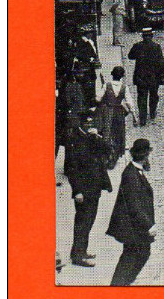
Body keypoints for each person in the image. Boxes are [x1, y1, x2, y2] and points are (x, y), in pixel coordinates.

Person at [65, 111, 113, 267]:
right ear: (81, 124)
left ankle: (81, 251)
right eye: (87, 124)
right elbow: (71, 168)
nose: (89, 126)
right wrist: (77, 190)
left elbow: (107, 150)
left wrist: (98, 136)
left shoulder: (92, 138)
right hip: (84, 190)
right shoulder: (75, 140)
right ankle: (78, 255)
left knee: (89, 221)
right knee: (82, 222)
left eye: (91, 124)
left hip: (94, 187)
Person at [106, 138, 156, 286]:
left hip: (135, 226)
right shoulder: (131, 175)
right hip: (132, 227)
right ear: (145, 156)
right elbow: (134, 205)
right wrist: (149, 225)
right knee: (132, 256)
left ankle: (123, 283)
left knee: (141, 254)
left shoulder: (135, 172)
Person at [96, 65, 136, 168]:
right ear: (122, 76)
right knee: (118, 134)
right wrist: (134, 116)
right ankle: (114, 156)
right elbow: (129, 102)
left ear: (112, 75)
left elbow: (98, 99)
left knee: (107, 133)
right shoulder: (124, 88)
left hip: (108, 112)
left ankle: (107, 156)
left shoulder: (106, 85)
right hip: (119, 112)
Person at [127, 28, 164, 126]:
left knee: (142, 97)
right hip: (154, 77)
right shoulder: (156, 47)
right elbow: (161, 62)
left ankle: (142, 118)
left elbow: (130, 56)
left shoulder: (137, 46)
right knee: (154, 95)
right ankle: (152, 112)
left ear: (143, 36)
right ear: (151, 36)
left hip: (141, 77)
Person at [73, 24, 101, 106]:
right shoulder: (81, 43)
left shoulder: (90, 41)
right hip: (85, 68)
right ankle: (88, 103)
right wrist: (90, 59)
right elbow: (79, 55)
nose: (92, 34)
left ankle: (91, 101)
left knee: (91, 84)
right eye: (90, 32)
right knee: (87, 86)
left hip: (90, 68)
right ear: (86, 33)